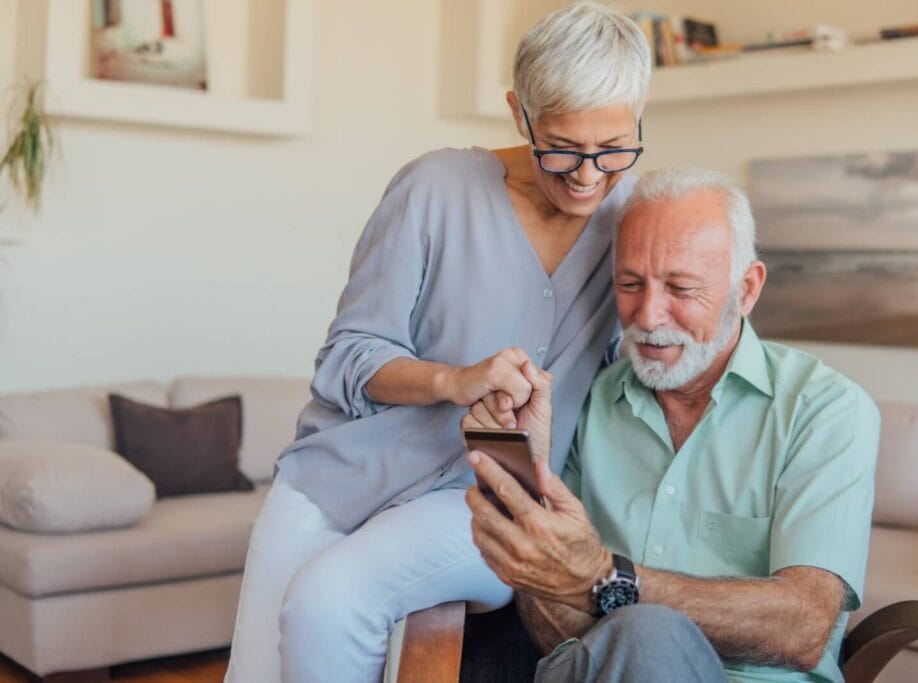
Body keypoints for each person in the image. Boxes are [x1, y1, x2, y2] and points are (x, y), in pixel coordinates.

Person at [225, 4, 652, 682]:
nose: (588, 175)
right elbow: (348, 356)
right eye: (563, 148)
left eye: (614, 148)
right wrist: (455, 381)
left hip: (488, 495)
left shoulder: (634, 219)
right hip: (338, 475)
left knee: (326, 605)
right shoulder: (435, 188)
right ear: (521, 114)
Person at [463, 167, 881, 683]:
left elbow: (804, 626)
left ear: (746, 289)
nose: (649, 315)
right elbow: (558, 633)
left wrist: (604, 578)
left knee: (649, 634)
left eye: (680, 288)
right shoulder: (591, 399)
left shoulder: (826, 410)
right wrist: (528, 488)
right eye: (629, 284)